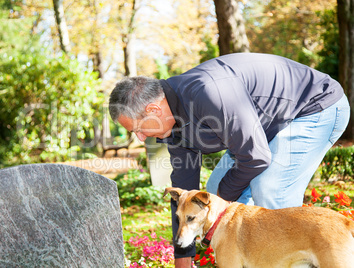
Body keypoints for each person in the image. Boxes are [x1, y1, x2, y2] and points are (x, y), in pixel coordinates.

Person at [108, 53, 350, 268]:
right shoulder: (172, 129)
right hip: (264, 127)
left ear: (153, 109)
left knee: (270, 188)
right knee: (212, 193)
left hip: (314, 107)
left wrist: (219, 203)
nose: (139, 138)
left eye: (138, 129)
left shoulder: (209, 93)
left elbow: (255, 157)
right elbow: (186, 196)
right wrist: (183, 258)